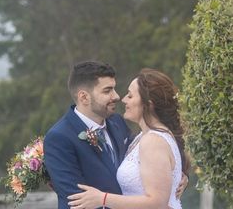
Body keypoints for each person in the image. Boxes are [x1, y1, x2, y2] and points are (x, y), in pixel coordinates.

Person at [67, 68, 189, 209]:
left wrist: (103, 198)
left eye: (130, 96)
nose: (123, 99)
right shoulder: (142, 136)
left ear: (148, 104)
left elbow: (157, 203)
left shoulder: (153, 141)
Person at [44, 61, 132, 209]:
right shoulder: (59, 138)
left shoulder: (117, 122)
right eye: (107, 91)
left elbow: (144, 156)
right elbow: (77, 201)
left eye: (114, 89)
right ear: (84, 97)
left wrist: (183, 174)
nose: (116, 96)